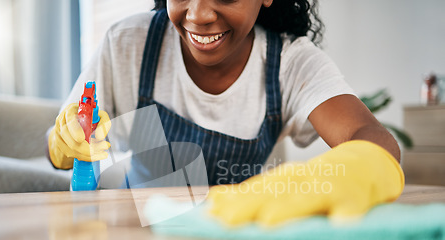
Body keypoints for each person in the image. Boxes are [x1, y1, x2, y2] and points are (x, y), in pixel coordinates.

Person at [47, 0, 404, 225]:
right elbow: (60, 144)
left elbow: (370, 136)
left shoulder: (290, 64)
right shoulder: (129, 44)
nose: (199, 14)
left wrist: (357, 167)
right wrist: (64, 143)